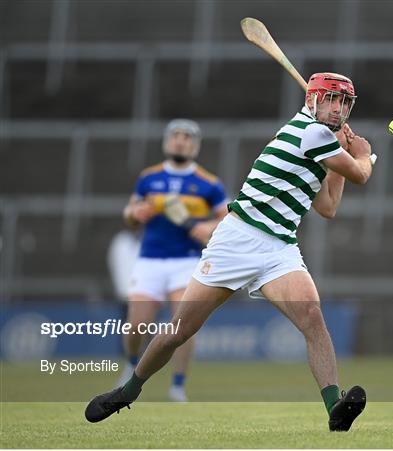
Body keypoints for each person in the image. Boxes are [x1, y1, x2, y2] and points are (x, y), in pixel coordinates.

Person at [86, 73, 374, 431]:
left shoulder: (322, 144)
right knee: (179, 330)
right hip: (238, 239)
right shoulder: (310, 133)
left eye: (344, 102)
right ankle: (128, 391)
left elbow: (328, 207)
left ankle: (335, 409)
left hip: (280, 247)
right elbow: (361, 174)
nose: (338, 109)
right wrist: (362, 156)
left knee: (313, 317)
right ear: (312, 101)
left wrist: (344, 159)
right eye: (331, 100)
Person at [118, 119, 228, 401]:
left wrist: (207, 228)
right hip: (150, 260)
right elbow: (130, 213)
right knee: (136, 326)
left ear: (195, 145)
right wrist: (134, 214)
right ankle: (131, 366)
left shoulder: (209, 184)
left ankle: (177, 386)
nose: (180, 141)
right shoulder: (149, 178)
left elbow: (226, 223)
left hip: (186, 262)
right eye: (176, 136)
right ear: (167, 142)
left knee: (181, 326)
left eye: (186, 137)